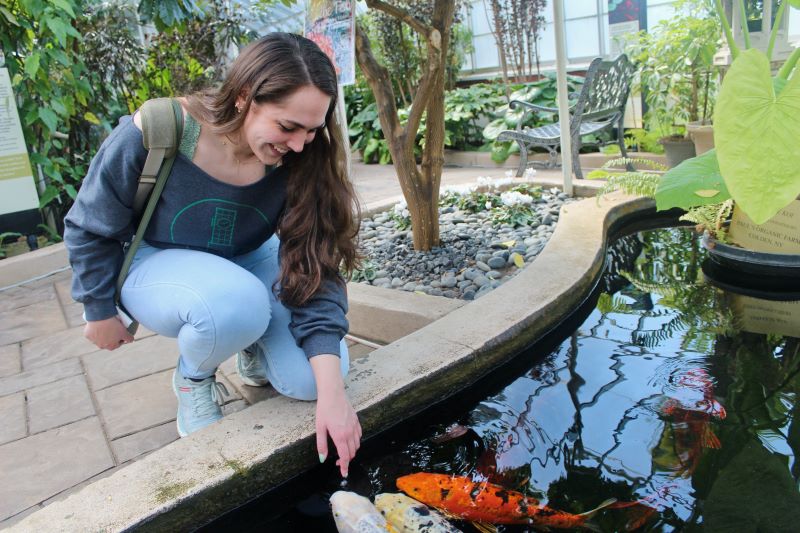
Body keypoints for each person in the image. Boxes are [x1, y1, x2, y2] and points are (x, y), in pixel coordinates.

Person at [63, 33, 361, 477]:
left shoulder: (303, 158)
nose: (300, 144)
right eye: (287, 126)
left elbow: (314, 267)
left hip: (248, 256)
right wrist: (98, 308)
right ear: (244, 97)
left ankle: (251, 343)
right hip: (157, 259)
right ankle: (194, 376)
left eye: (312, 130)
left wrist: (335, 400)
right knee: (235, 305)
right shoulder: (158, 131)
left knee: (314, 380)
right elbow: (88, 224)